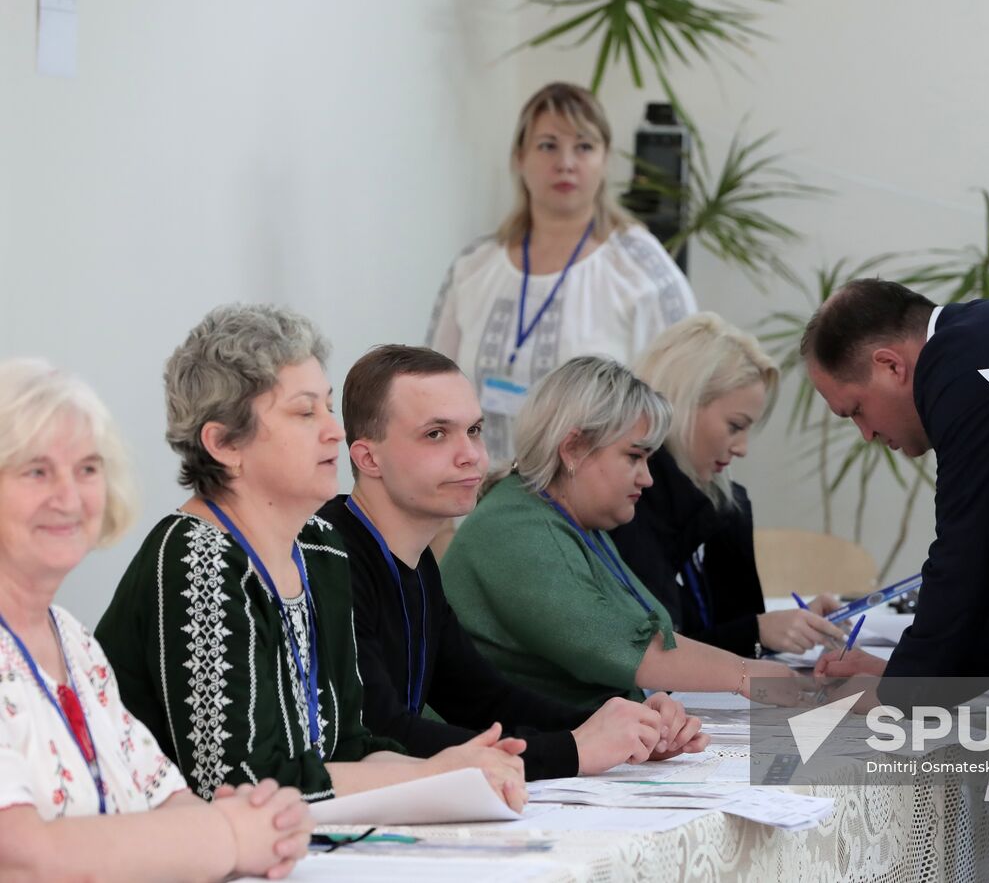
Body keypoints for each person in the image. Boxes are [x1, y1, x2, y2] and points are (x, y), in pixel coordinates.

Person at [96, 304, 529, 811]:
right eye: (305, 413)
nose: (335, 431)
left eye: (327, 407)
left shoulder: (320, 546)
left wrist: (457, 772)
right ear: (224, 443)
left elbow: (351, 746)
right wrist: (434, 774)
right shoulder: (198, 560)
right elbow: (240, 786)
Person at [318, 344, 707, 779]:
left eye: (475, 430)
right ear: (369, 458)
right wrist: (574, 750)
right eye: (436, 434)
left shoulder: (416, 563)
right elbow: (379, 734)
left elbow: (484, 700)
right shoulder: (329, 556)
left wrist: (624, 729)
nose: (471, 454)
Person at [0, 358, 313, 881]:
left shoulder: (73, 642)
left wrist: (263, 824)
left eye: (88, 469)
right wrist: (229, 836)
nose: (70, 498)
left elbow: (166, 800)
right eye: (36, 471)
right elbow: (21, 857)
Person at [441, 356, 798, 710]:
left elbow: (650, 638)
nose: (647, 478)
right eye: (633, 457)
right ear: (573, 449)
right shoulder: (517, 531)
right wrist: (747, 675)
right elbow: (624, 648)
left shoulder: (565, 519)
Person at [801, 278, 989, 690]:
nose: (866, 434)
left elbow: (966, 556)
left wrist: (899, 692)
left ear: (890, 366)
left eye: (857, 410)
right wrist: (905, 675)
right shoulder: (983, 339)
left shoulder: (956, 362)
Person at [428, 81, 697, 464]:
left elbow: (682, 405)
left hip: (594, 513)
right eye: (548, 145)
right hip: (477, 504)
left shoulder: (642, 270)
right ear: (520, 157)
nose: (566, 162)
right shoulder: (474, 267)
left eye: (584, 146)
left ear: (605, 161)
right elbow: (434, 393)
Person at [611, 313, 847, 656]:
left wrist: (784, 626)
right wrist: (758, 632)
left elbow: (719, 633)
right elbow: (648, 655)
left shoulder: (721, 504)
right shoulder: (624, 508)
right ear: (683, 407)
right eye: (735, 426)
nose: (742, 448)